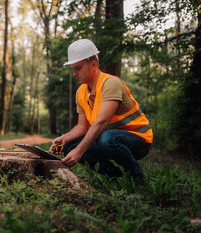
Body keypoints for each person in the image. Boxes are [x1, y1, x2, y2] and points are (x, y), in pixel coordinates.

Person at [49, 39, 153, 179]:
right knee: (69, 146)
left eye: (78, 68)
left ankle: (136, 176)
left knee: (105, 139)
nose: (74, 73)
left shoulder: (110, 83)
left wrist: (79, 152)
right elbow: (82, 127)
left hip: (138, 140)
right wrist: (64, 138)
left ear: (93, 65)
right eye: (72, 69)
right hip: (109, 138)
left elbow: (102, 123)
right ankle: (115, 177)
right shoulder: (81, 92)